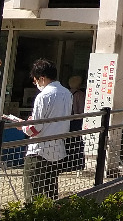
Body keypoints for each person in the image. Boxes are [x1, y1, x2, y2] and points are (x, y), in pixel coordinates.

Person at [3, 59, 74, 202]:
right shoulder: (67, 93)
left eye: (35, 81)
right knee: (50, 191)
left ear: (41, 78)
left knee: (32, 192)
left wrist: (22, 125)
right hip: (57, 148)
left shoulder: (43, 96)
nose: (35, 85)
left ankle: (33, 220)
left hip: (39, 150)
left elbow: (35, 128)